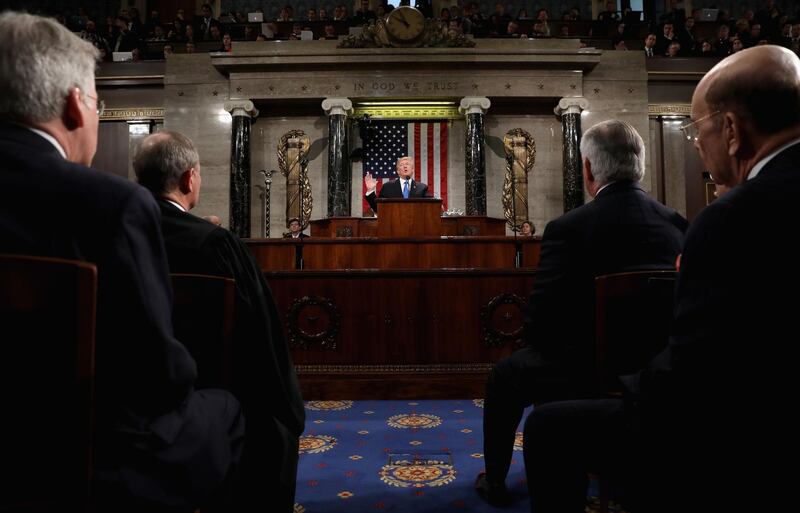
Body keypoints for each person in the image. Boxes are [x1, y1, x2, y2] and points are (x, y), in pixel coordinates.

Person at [523, 45, 800, 513]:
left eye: (697, 129)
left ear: (731, 130)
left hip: (749, 434)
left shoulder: (732, 218)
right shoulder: (680, 220)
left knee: (548, 428)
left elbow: (692, 377)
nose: (696, 145)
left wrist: (627, 386)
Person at [0, 12, 244, 511]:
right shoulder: (109, 204)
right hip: (82, 454)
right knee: (228, 409)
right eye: (97, 101)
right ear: (74, 105)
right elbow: (157, 374)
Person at [475, 120, 687, 507]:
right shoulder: (677, 224)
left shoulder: (569, 228)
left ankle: (496, 480)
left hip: (578, 366)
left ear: (587, 169)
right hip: (653, 371)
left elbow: (540, 322)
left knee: (504, 377)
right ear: (638, 163)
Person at [133, 131, 305, 513]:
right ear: (189, 179)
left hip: (123, 397)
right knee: (276, 426)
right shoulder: (214, 243)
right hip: (212, 394)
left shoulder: (114, 233)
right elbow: (260, 334)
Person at [364, 156, 429, 213]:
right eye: (401, 165)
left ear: (412, 170)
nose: (405, 166)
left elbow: (430, 206)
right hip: (393, 224)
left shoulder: (422, 187)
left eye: (407, 164)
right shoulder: (388, 186)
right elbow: (378, 208)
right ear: (398, 171)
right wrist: (370, 191)